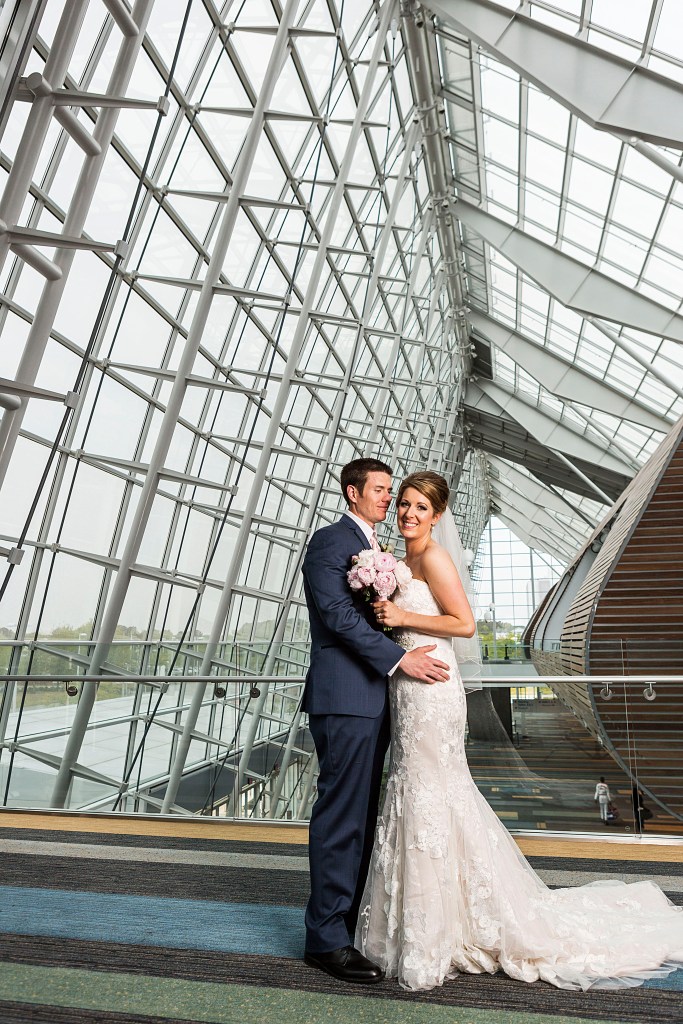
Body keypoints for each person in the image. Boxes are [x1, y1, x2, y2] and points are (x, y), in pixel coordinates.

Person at [357, 470, 683, 992]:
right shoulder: (398, 560)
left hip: (433, 685)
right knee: (414, 790)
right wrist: (388, 615)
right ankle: (431, 918)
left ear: (437, 516)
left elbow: (464, 623)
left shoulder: (434, 558)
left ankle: (441, 927)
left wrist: (399, 616)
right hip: (407, 686)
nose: (409, 514)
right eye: (404, 505)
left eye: (421, 508)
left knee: (432, 791)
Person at [301, 458, 450, 984]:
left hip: (376, 698)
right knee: (342, 816)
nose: (390, 499)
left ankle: (348, 924)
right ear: (353, 492)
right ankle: (325, 940)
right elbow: (340, 619)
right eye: (382, 490)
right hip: (345, 697)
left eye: (392, 491)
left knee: (363, 816)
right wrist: (400, 659)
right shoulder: (330, 542)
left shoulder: (375, 548)